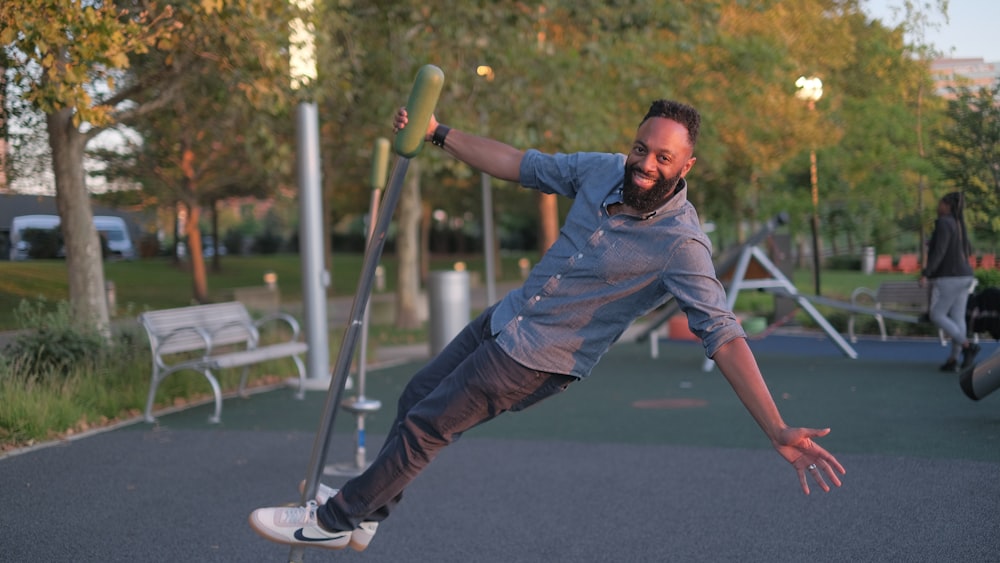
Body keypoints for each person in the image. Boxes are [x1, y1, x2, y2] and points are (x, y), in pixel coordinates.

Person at [249, 99, 846, 551]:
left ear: (688, 164)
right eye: (642, 148)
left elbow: (726, 335)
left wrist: (775, 426)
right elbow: (519, 164)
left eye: (664, 157)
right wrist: (439, 134)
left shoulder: (681, 245)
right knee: (414, 396)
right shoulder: (602, 171)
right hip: (508, 318)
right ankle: (370, 513)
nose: (645, 164)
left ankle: (333, 522)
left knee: (428, 425)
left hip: (539, 359)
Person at [920, 191, 979, 372]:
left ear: (948, 206)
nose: (938, 207)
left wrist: (926, 273)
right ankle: (953, 359)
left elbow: (940, 252)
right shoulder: (957, 224)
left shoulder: (944, 223)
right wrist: (934, 242)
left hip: (950, 277)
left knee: (936, 315)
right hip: (965, 276)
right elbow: (949, 248)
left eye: (940, 204)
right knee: (957, 318)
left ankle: (968, 346)